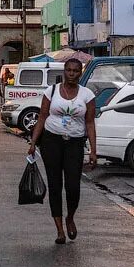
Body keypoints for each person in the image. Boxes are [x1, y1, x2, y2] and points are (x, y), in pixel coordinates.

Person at [27, 57, 98, 245]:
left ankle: (70, 217)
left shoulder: (87, 95)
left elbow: (90, 123)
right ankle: (59, 230)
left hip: (74, 143)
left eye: (76, 71)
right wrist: (33, 142)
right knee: (55, 185)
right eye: (69, 70)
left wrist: (93, 150)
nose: (72, 74)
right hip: (52, 141)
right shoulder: (51, 92)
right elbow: (42, 117)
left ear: (80, 73)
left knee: (73, 186)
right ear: (64, 72)